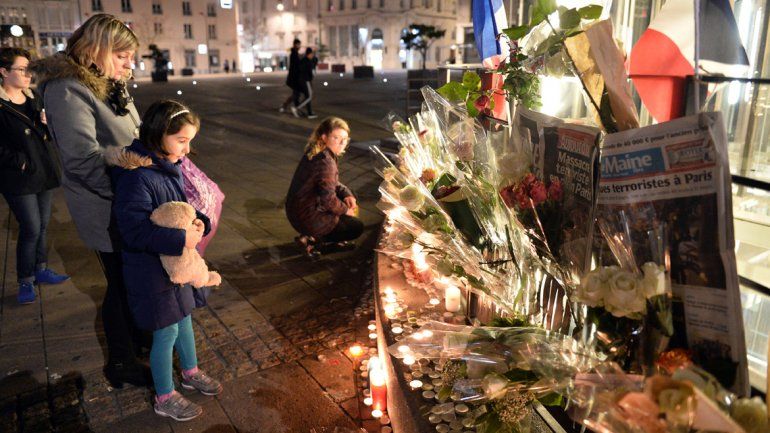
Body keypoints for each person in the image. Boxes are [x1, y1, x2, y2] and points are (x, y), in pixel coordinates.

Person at [32, 14, 147, 388]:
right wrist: (130, 194)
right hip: (108, 205)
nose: (130, 64)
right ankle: (121, 362)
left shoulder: (109, 83)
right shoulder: (68, 88)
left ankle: (139, 340)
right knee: (119, 282)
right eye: (122, 55)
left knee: (133, 278)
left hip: (129, 198)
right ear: (95, 49)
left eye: (131, 56)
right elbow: (83, 160)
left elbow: (131, 134)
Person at [109, 100, 221, 422]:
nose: (187, 149)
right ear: (160, 134)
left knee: (185, 318)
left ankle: (190, 371)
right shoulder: (136, 176)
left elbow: (181, 208)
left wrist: (200, 222)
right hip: (151, 272)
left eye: (191, 141)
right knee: (166, 332)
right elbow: (133, 230)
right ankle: (165, 395)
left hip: (176, 267)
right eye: (182, 140)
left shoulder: (167, 166)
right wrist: (179, 239)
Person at [0, 47, 69, 305]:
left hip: (44, 171)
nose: (28, 74)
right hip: (19, 177)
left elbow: (48, 136)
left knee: (42, 225)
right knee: (30, 228)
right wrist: (18, 162)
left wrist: (46, 124)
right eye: (21, 69)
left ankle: (41, 269)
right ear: (4, 72)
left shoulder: (34, 98)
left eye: (29, 69)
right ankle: (25, 280)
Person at [285, 117, 363, 258]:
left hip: (296, 212)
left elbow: (331, 183)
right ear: (324, 137)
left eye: (345, 139)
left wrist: (347, 194)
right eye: (336, 138)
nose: (342, 143)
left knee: (345, 197)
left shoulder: (315, 151)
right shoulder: (326, 162)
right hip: (307, 217)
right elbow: (328, 200)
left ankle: (309, 236)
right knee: (356, 227)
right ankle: (313, 240)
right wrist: (346, 211)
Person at [291, 47, 317, 119]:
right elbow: (310, 73)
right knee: (309, 96)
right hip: (305, 81)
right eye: (312, 54)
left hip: (301, 80)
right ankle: (296, 108)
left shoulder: (303, 60)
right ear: (310, 54)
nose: (312, 56)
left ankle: (309, 113)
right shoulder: (308, 62)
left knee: (307, 96)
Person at [279, 39, 301, 113]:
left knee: (296, 94)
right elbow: (295, 67)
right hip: (294, 78)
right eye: (298, 45)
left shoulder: (295, 53)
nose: (299, 46)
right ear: (295, 45)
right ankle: (285, 106)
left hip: (294, 77)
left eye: (299, 45)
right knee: (296, 94)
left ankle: (296, 107)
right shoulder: (294, 54)